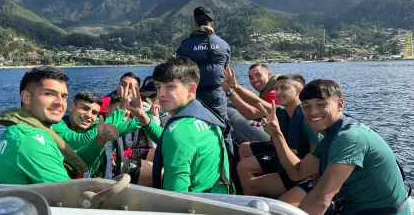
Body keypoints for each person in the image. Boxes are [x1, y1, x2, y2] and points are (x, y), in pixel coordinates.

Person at [263, 79, 410, 214]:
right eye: (306, 106)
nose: (313, 112)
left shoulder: (349, 138)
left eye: (321, 104)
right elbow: (297, 171)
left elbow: (321, 199)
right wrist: (276, 134)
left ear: (340, 104)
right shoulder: (331, 137)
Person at [0, 66, 119, 184]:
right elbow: (69, 195)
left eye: (64, 96)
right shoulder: (30, 140)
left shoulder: (22, 129)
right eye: (49, 93)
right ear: (26, 97)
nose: (59, 102)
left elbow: (72, 163)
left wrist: (100, 140)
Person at [237, 74, 319, 206]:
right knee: (250, 184)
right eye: (276, 89)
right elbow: (256, 101)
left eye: (284, 88)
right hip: (289, 168)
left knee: (279, 207)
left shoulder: (307, 118)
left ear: (299, 90)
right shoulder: (281, 112)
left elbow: (317, 157)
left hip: (306, 174)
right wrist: (234, 87)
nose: (278, 92)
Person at [152, 57, 230, 193]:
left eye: (170, 86)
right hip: (219, 198)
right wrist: (143, 118)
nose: (161, 94)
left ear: (191, 89)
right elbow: (181, 143)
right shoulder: (208, 117)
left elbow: (175, 200)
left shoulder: (179, 131)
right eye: (158, 87)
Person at [176, 6, 233, 155]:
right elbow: (226, 69)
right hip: (216, 96)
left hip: (192, 97)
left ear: (195, 23)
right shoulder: (223, 45)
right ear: (211, 23)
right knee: (223, 130)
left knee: (192, 131)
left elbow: (178, 71)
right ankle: (228, 170)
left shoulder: (185, 45)